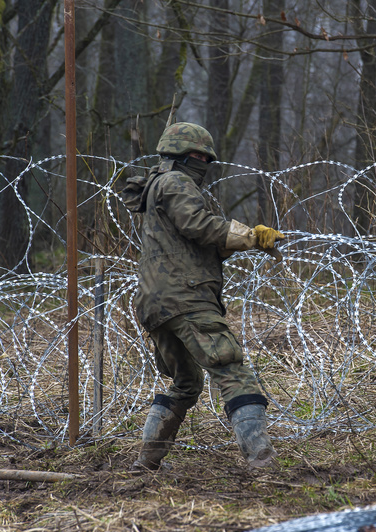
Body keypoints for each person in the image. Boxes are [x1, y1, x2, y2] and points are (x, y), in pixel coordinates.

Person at [120, 122, 284, 471]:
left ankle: (145, 463)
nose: (205, 164)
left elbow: (187, 243)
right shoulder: (176, 182)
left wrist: (227, 245)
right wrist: (251, 236)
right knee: (231, 370)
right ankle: (262, 459)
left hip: (155, 302)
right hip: (187, 297)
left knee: (185, 383)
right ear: (186, 156)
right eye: (201, 157)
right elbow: (196, 224)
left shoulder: (153, 188)